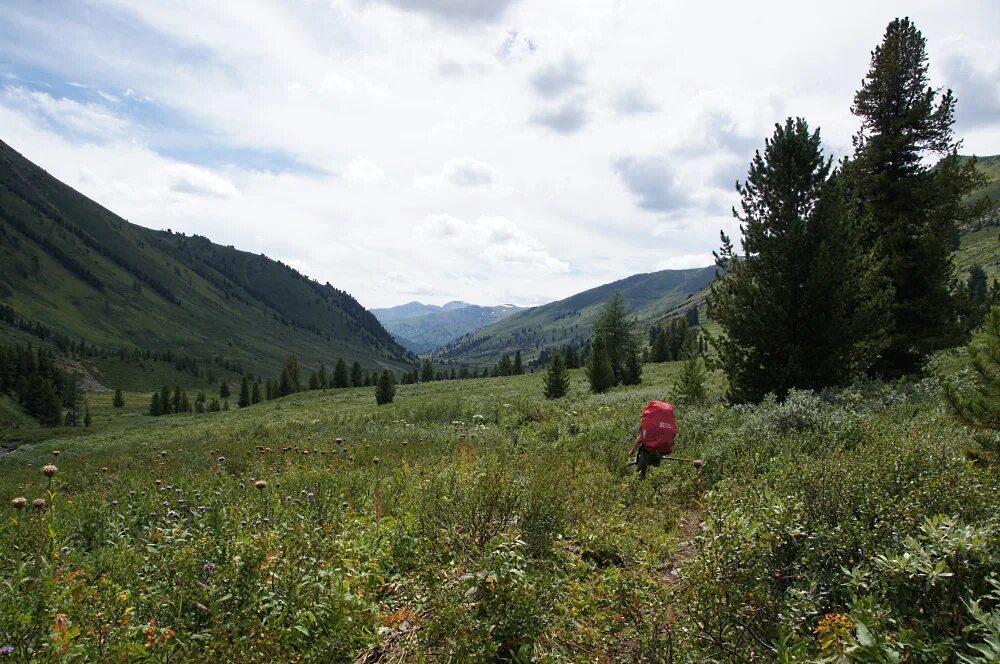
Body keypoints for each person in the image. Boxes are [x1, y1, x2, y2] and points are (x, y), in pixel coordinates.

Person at [629, 400, 678, 479]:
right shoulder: (662, 425)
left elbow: (639, 439)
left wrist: (631, 452)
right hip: (659, 454)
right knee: (654, 476)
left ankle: (640, 489)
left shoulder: (648, 424)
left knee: (641, 476)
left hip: (647, 454)